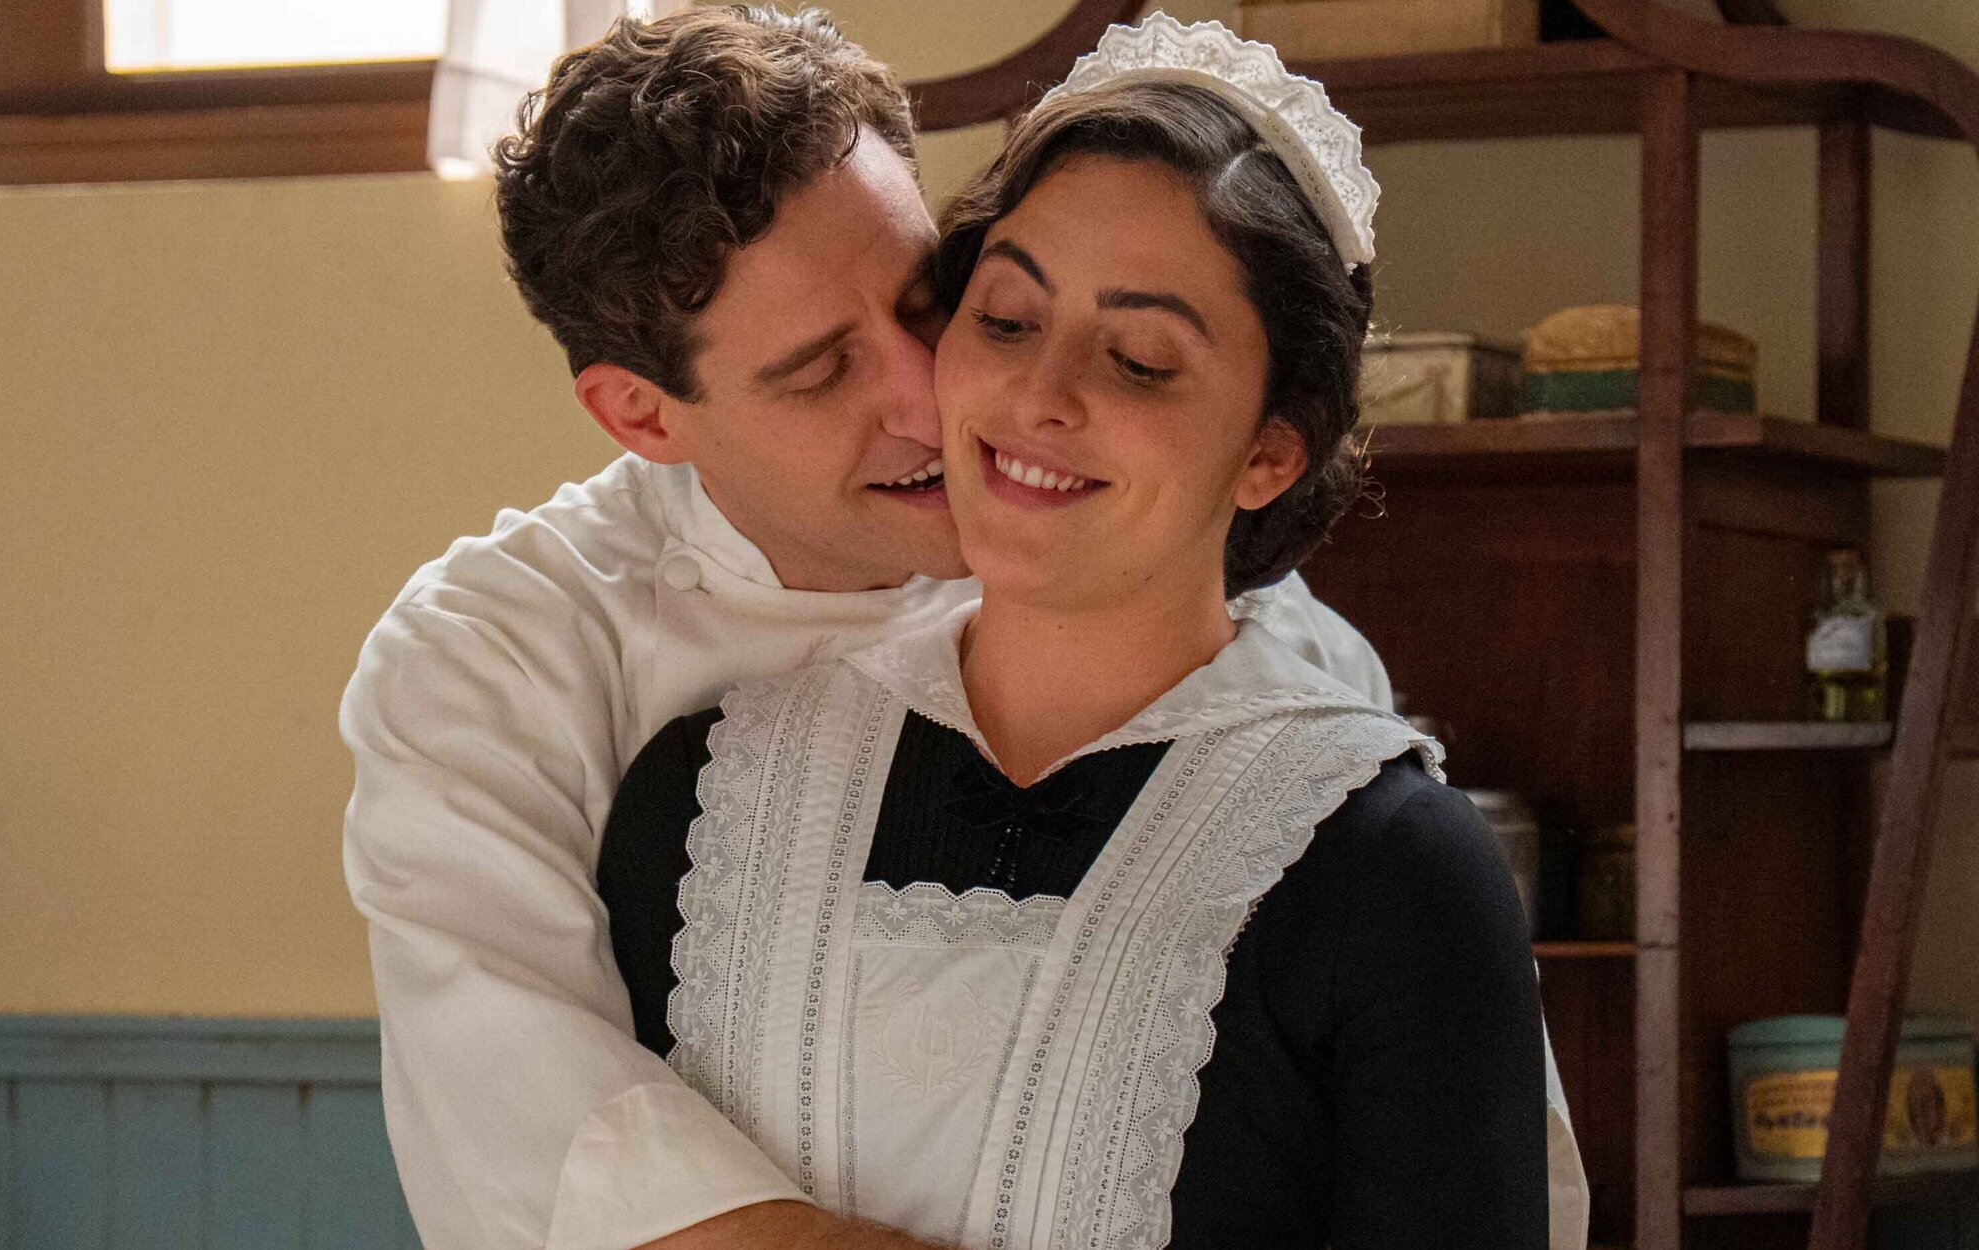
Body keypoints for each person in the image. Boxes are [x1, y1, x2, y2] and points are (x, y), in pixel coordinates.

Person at [338, 8, 1393, 1249]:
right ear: (640, 415)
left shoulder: (1262, 643)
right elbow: (565, 1164)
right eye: (819, 370)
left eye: (928, 302)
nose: (928, 396)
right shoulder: (492, 660)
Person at [595, 15, 1579, 1248]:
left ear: (1271, 449)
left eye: (1139, 360)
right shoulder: (705, 795)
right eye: (1006, 320)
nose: (1039, 395)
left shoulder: (1390, 870)